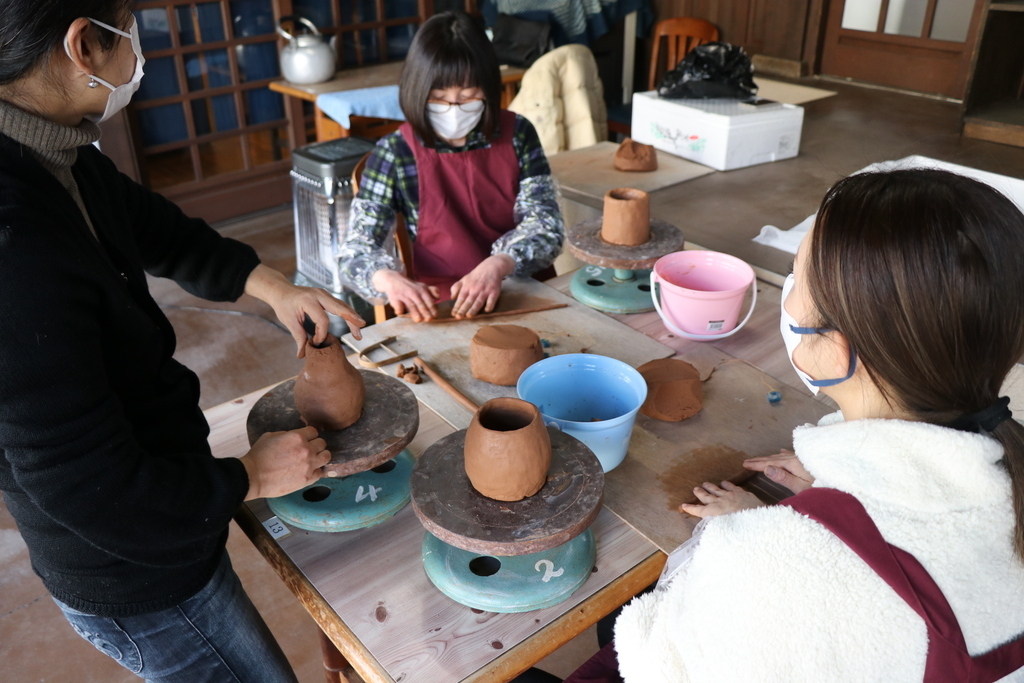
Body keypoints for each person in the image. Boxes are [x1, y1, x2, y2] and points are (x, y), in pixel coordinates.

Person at [0, 2, 364, 681]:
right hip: (133, 571)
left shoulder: (53, 145)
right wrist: (249, 476)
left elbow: (152, 226)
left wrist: (271, 286)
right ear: (83, 45)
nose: (140, 50)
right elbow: (94, 493)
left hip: (167, 508)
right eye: (130, 27)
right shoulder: (15, 245)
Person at [564, 169, 1024, 682]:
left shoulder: (777, 563)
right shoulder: (1011, 471)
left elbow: (658, 657)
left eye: (794, 274)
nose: (785, 292)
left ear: (841, 345)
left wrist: (748, 534)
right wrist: (838, 501)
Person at [338, 11, 565, 322]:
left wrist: (500, 262)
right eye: (439, 98)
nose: (454, 110)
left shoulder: (518, 133)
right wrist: (386, 278)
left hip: (521, 286)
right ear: (417, 91)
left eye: (469, 96)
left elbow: (546, 224)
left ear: (488, 87)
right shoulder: (395, 153)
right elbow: (355, 250)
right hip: (444, 303)